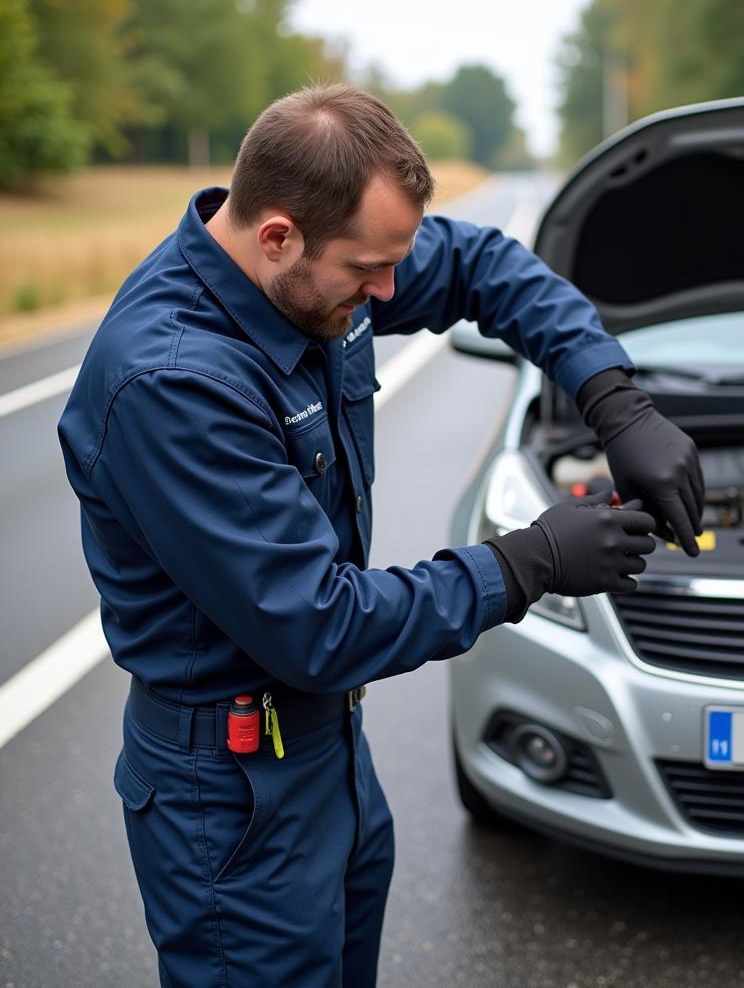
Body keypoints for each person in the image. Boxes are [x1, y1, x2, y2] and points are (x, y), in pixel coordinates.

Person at [57, 83, 704, 987]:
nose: (388, 293)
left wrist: (613, 396)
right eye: (368, 271)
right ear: (277, 235)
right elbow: (320, 625)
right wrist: (533, 560)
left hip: (331, 754)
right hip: (235, 798)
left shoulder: (313, 270)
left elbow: (480, 265)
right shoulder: (173, 384)